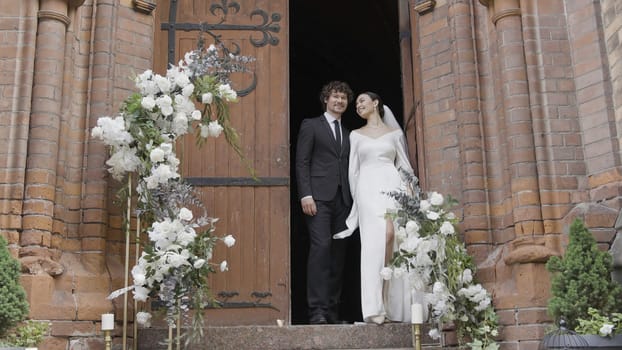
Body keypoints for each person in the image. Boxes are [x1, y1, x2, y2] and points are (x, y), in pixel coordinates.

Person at [334, 91, 413, 324]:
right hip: (368, 188)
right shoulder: (356, 135)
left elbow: (403, 165)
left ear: (375, 103)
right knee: (374, 244)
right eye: (356, 104)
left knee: (393, 237)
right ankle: (374, 308)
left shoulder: (395, 134)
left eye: (362, 101)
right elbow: (353, 169)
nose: (357, 106)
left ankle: (391, 304)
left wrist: (409, 190)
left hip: (393, 186)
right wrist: (357, 198)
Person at [295, 81, 354, 324]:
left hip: (344, 200)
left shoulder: (351, 134)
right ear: (326, 100)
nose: (339, 101)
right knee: (321, 250)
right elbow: (302, 161)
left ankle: (332, 312)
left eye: (343, 98)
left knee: (338, 255)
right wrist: (305, 194)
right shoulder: (311, 125)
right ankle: (316, 311)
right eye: (335, 97)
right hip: (318, 199)